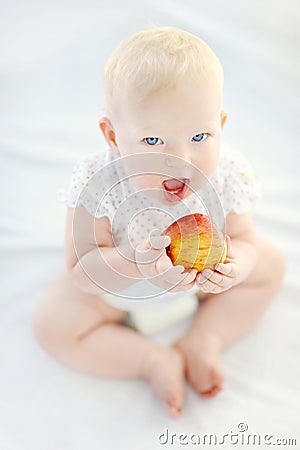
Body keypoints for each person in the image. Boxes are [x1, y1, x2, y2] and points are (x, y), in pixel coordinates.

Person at [32, 26, 285, 418]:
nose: (181, 159)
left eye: (201, 136)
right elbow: (81, 270)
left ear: (221, 123)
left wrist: (239, 265)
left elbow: (243, 238)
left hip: (199, 289)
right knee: (52, 326)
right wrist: (131, 261)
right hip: (114, 299)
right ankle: (149, 360)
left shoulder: (227, 173)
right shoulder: (98, 183)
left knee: (270, 265)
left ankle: (205, 337)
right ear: (113, 136)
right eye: (153, 142)